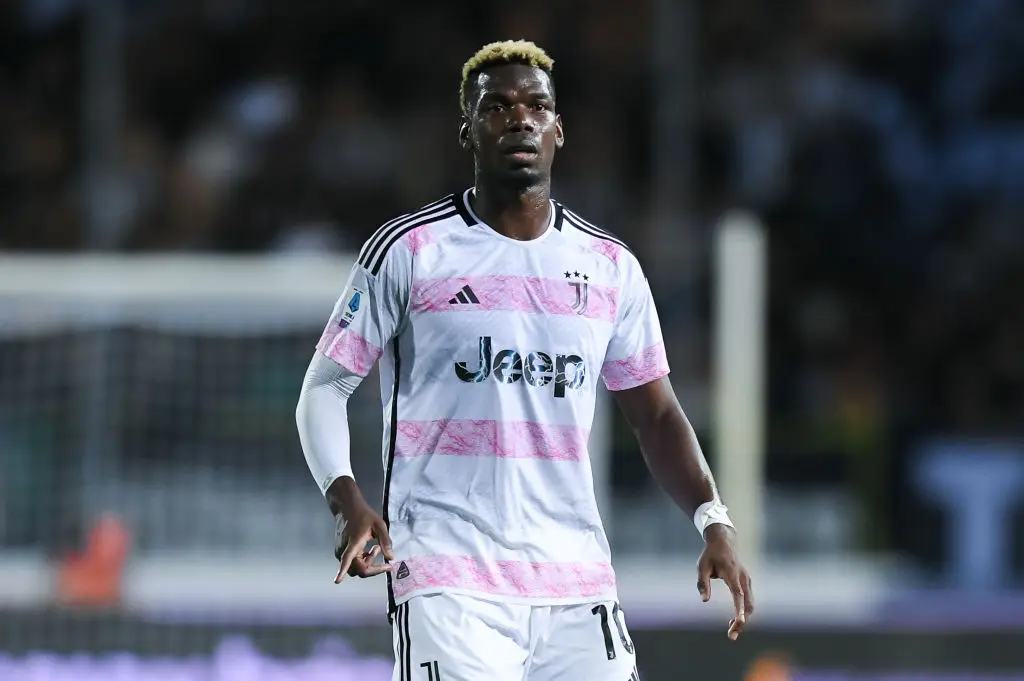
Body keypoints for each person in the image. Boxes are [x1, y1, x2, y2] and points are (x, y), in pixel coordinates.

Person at [296, 39, 754, 681]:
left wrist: (714, 519)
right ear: (468, 130)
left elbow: (656, 416)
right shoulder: (410, 252)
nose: (520, 118)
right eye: (497, 107)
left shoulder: (610, 268)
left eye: (537, 106)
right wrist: (347, 499)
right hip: (447, 578)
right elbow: (325, 385)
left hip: (576, 581)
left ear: (558, 131)